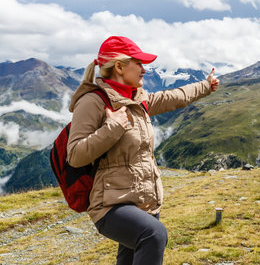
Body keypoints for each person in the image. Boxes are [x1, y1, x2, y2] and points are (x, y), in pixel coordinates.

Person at [67, 36, 219, 265]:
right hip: (111, 205)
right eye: (138, 63)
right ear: (119, 66)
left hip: (144, 202)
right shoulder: (92, 102)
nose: (144, 70)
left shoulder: (138, 100)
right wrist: (113, 127)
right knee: (154, 234)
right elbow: (75, 156)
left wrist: (206, 86)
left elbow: (175, 97)